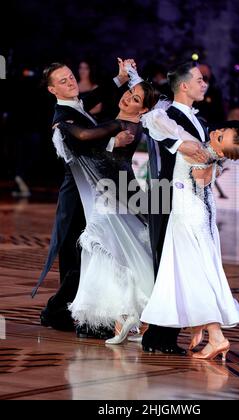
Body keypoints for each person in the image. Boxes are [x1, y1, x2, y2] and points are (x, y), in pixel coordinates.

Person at [141, 61, 239, 355]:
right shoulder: (171, 117)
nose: (205, 83)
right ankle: (184, 328)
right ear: (184, 86)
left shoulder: (196, 124)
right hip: (171, 199)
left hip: (186, 206)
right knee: (177, 267)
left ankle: (173, 334)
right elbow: (165, 126)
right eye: (200, 79)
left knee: (183, 268)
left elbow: (218, 144)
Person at [33, 60, 134, 339]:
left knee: (86, 256)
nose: (70, 82)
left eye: (70, 77)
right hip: (77, 196)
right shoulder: (61, 114)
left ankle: (63, 313)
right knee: (78, 257)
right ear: (53, 89)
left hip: (90, 193)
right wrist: (119, 126)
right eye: (63, 81)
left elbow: (94, 96)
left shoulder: (75, 105)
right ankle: (69, 314)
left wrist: (120, 78)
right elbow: (86, 138)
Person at [57, 77, 160, 345]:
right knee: (120, 255)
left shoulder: (127, 126)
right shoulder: (120, 121)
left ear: (143, 110)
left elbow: (89, 143)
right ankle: (127, 320)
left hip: (117, 195)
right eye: (129, 93)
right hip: (111, 193)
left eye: (135, 99)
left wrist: (66, 128)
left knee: (121, 256)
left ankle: (130, 318)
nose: (127, 98)